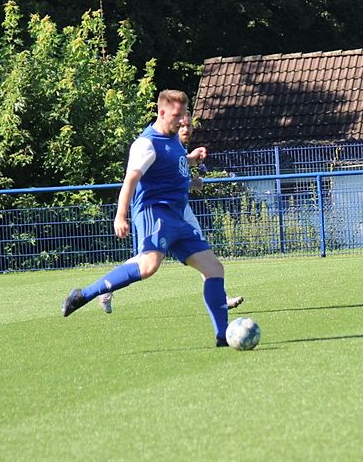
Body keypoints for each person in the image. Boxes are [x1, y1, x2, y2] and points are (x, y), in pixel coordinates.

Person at [63, 90, 242, 347]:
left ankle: (223, 337)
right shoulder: (145, 144)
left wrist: (190, 161)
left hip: (179, 215)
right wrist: (120, 216)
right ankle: (84, 295)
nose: (182, 121)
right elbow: (130, 180)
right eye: (177, 116)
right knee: (148, 266)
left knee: (214, 269)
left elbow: (172, 164)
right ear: (162, 112)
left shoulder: (173, 141)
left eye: (184, 115)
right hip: (154, 212)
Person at [97, 113, 242, 314]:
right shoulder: (156, 142)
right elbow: (156, 179)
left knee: (201, 251)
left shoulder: (176, 145)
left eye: (189, 125)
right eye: (182, 125)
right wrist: (120, 215)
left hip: (181, 209)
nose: (186, 129)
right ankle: (107, 286)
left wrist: (191, 164)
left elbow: (177, 170)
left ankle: (221, 298)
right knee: (147, 260)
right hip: (158, 209)